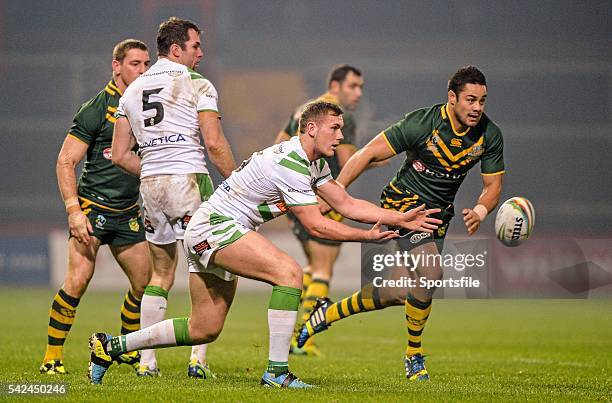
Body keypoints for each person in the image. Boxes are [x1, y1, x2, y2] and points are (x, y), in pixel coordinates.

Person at [88, 101, 442, 387]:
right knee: (289, 273)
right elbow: (316, 223)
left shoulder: (313, 163)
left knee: (203, 328)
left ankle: (112, 346)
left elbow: (346, 204)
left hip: (209, 229)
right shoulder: (291, 162)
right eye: (335, 129)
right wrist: (365, 236)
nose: (340, 136)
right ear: (311, 128)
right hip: (216, 227)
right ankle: (276, 372)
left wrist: (399, 218)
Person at [297, 66, 505, 381]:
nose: (477, 108)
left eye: (482, 101)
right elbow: (365, 154)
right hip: (404, 203)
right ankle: (414, 356)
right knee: (432, 271)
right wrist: (336, 192)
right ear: (452, 97)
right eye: (470, 100)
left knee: (398, 292)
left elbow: (493, 186)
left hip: (438, 214)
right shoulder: (421, 124)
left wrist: (480, 210)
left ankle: (324, 313)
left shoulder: (489, 135)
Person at [111, 17, 236, 379]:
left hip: (150, 186)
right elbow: (213, 143)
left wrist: (154, 168)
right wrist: (237, 181)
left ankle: (147, 363)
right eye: (196, 45)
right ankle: (198, 359)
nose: (201, 52)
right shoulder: (197, 83)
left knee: (161, 273)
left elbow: (120, 155)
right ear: (177, 49)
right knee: (212, 268)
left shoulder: (131, 91)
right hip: (188, 180)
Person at [40, 39, 152, 375]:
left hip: (128, 211)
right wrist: (74, 211)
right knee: (77, 281)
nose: (142, 70)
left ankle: (127, 348)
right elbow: (65, 161)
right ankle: (51, 358)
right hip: (92, 209)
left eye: (146, 64)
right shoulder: (95, 108)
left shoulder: (148, 107)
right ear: (116, 66)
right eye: (135, 63)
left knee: (143, 281)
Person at [274, 65, 369, 355]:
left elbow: (278, 145)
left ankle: (292, 330)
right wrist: (372, 158)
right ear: (335, 85)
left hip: (294, 194)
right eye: (353, 86)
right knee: (324, 268)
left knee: (312, 268)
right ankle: (304, 338)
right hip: (323, 197)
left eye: (360, 87)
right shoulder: (339, 117)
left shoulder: (304, 110)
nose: (358, 93)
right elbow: (348, 159)